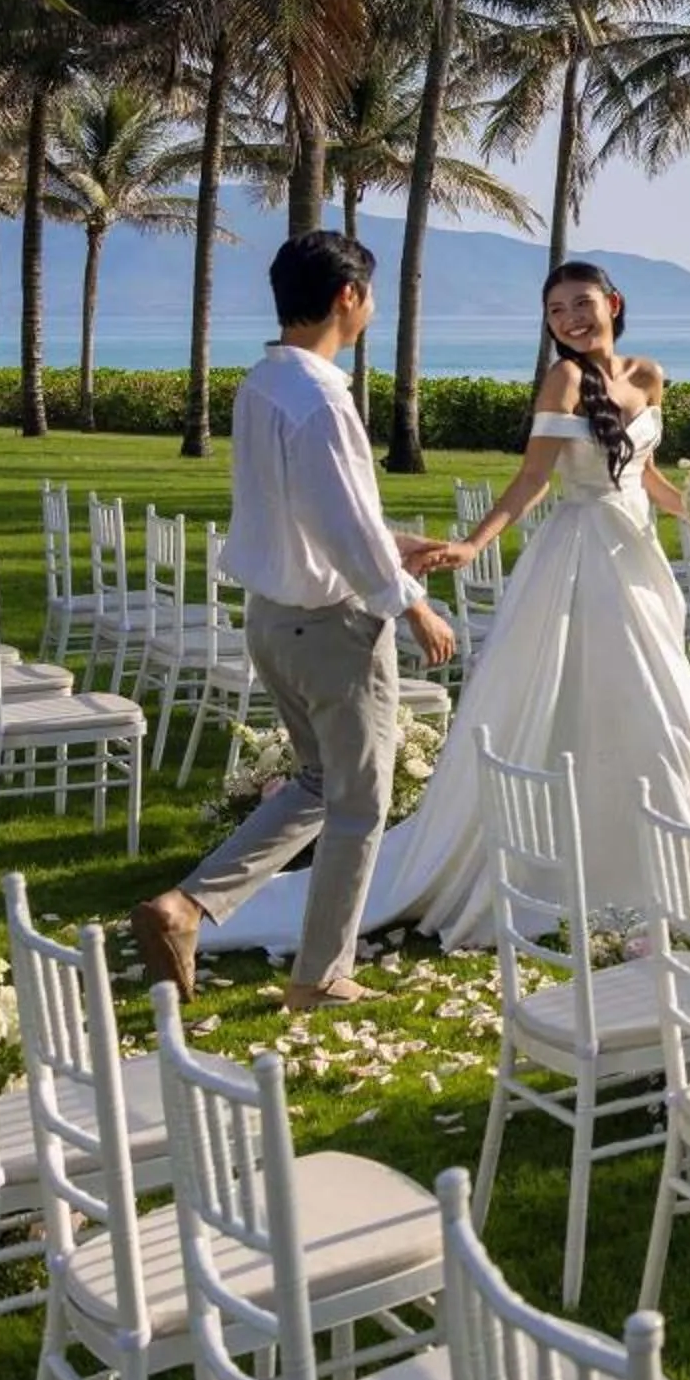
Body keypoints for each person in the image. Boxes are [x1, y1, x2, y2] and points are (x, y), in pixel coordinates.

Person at [190, 259, 690, 962]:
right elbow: (532, 480)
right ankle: (561, 864)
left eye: (580, 303)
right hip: (582, 554)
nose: (569, 319)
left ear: (614, 303)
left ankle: (655, 862)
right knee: (587, 695)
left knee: (658, 701)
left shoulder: (648, 376)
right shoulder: (561, 381)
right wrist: (473, 543)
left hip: (638, 555)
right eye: (555, 310)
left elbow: (646, 475)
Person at [131, 232, 457, 1011]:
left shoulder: (264, 384)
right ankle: (318, 975)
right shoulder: (321, 397)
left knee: (317, 782)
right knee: (358, 803)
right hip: (330, 629)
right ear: (349, 297)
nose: (372, 306)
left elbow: (304, 513)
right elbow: (342, 525)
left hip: (274, 618)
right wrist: (410, 602)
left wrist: (396, 545)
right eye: (370, 293)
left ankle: (185, 908)